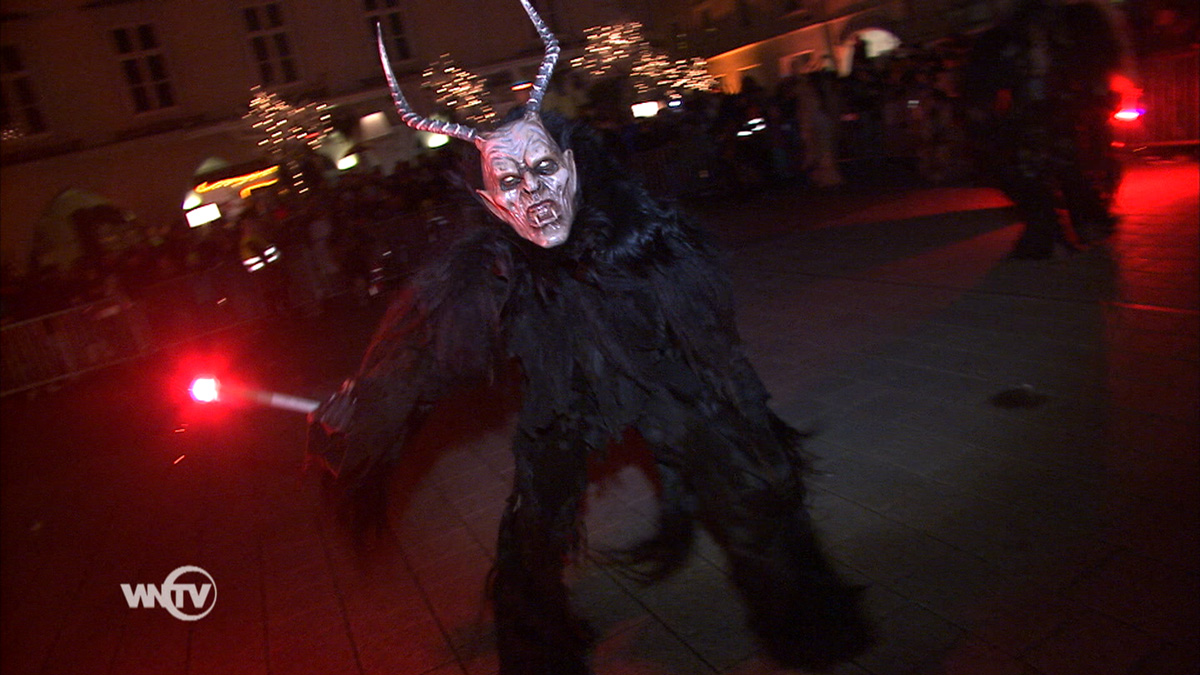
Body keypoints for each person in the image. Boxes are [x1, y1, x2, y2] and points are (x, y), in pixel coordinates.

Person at [308, 2, 873, 673]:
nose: (533, 192)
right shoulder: (490, 269)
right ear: (491, 204)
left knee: (750, 490)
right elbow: (428, 353)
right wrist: (364, 412)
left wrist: (744, 416)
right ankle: (538, 649)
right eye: (510, 182)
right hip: (564, 399)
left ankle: (807, 623)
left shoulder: (637, 229)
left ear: (572, 167)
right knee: (534, 530)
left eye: (544, 170)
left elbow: (712, 340)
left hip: (659, 378)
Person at [962, 0, 1125, 259]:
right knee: (1062, 168)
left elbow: (988, 80)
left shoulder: (1018, 32)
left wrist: (984, 113)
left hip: (1038, 114)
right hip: (1055, 112)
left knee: (1032, 173)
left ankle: (1054, 234)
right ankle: (1085, 224)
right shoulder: (1055, 27)